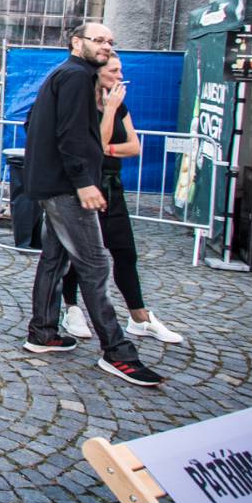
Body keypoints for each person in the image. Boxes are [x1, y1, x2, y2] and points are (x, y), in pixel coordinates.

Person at [23, 22, 164, 388]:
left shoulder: (70, 76)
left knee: (54, 260)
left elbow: (40, 126)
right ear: (76, 42)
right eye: (98, 40)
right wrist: (84, 181)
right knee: (95, 263)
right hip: (66, 188)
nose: (106, 46)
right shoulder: (74, 77)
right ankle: (117, 352)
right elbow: (69, 135)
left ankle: (43, 332)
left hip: (55, 185)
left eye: (110, 42)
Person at [58, 51, 184, 345]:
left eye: (120, 70)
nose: (119, 76)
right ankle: (72, 307)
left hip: (113, 187)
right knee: (81, 254)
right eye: (113, 70)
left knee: (125, 252)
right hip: (86, 186)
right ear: (97, 73)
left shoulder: (119, 106)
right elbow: (93, 144)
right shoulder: (86, 106)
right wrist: (110, 112)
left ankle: (140, 317)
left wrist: (110, 147)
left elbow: (134, 146)